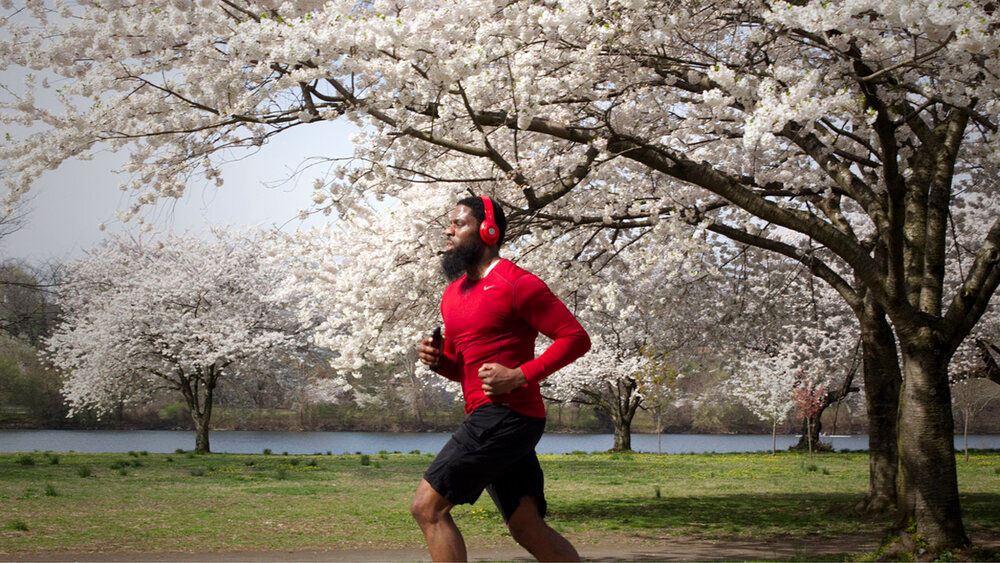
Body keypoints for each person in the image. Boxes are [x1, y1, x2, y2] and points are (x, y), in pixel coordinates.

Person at [412, 195, 591, 562]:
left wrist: (520, 375)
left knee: (427, 507)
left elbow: (575, 338)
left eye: (458, 223)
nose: (448, 230)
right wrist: (438, 361)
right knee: (525, 525)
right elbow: (464, 368)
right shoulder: (452, 294)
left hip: (508, 415)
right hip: (495, 416)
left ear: (488, 230)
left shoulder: (518, 283)